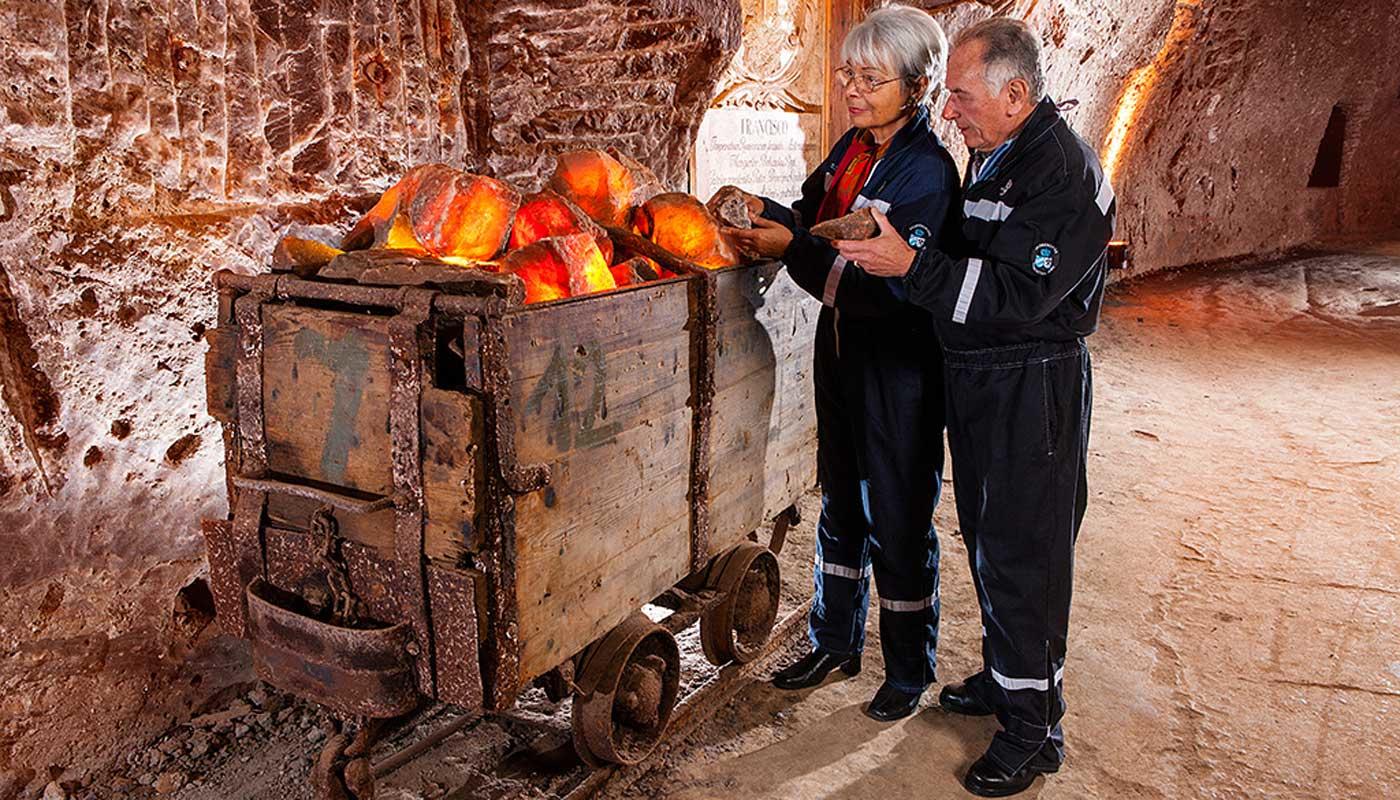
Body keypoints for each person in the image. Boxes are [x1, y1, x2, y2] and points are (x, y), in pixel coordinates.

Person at [834, 17, 1115, 797]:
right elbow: (969, 257)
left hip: (1032, 382)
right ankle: (1006, 678)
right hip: (984, 380)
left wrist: (909, 266)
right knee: (989, 537)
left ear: (1016, 93)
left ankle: (1034, 731)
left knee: (1028, 551)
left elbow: (1015, 295)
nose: (947, 111)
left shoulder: (1061, 172)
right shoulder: (999, 155)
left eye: (959, 95)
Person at [721, 4, 961, 722]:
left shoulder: (926, 172)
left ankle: (909, 666)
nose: (853, 88)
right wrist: (754, 209)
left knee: (898, 511)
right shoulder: (856, 149)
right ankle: (835, 639)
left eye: (871, 78)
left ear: (917, 86)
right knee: (842, 504)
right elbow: (809, 214)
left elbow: (879, 288)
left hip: (897, 368)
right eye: (849, 73)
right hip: (843, 358)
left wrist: (787, 248)